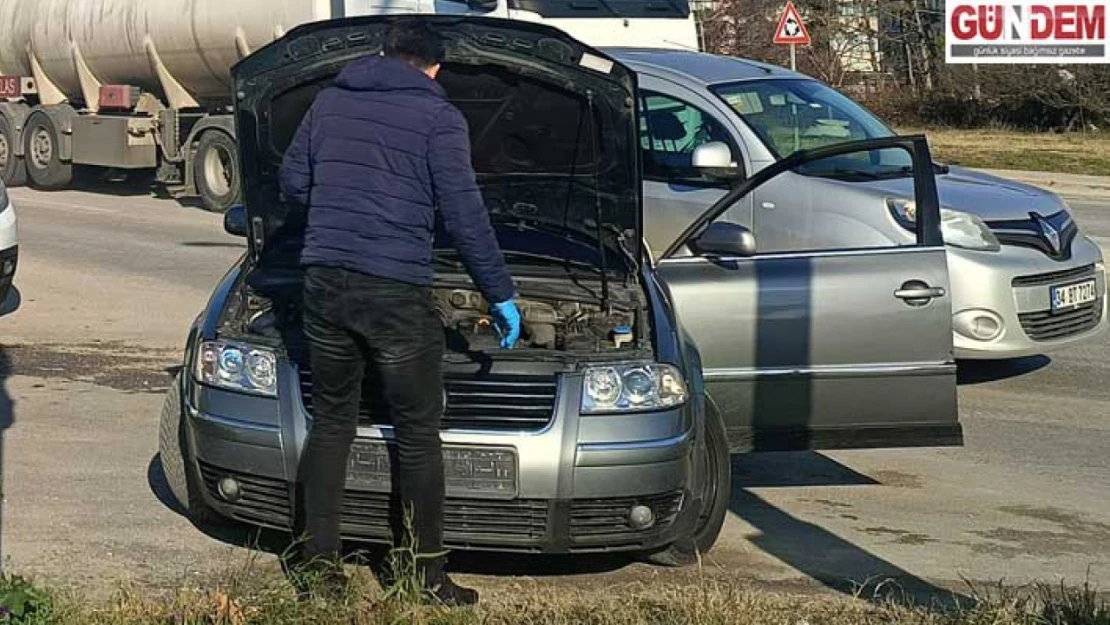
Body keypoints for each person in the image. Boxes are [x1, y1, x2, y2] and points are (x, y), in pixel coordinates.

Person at [278, 18, 520, 606]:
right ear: (435, 68)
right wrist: (499, 292)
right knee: (416, 433)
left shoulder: (329, 102)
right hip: (394, 290)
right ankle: (423, 576)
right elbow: (465, 216)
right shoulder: (440, 118)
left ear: (384, 53)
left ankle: (318, 571)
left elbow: (291, 181)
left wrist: (343, 210)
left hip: (325, 283)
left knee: (332, 422)